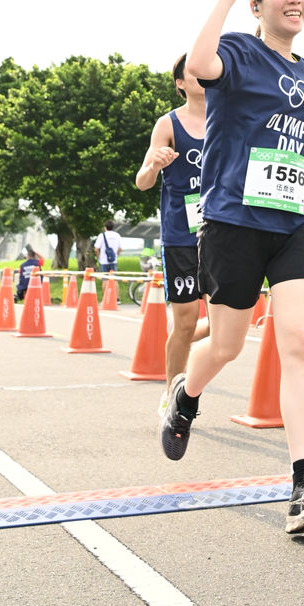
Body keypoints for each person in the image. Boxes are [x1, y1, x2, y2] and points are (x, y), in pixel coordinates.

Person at [160, 0, 304, 536]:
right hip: (235, 219)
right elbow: (199, 64)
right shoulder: (239, 50)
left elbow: (287, 129)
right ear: (258, 5)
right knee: (226, 345)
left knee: (299, 340)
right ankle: (185, 395)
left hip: (297, 219)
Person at [135, 52, 211, 414]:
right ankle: (173, 397)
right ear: (180, 83)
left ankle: (181, 359)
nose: (202, 76)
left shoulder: (227, 118)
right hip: (182, 237)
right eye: (193, 73)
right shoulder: (168, 123)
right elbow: (142, 181)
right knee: (185, 324)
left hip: (223, 235)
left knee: (225, 327)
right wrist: (155, 163)